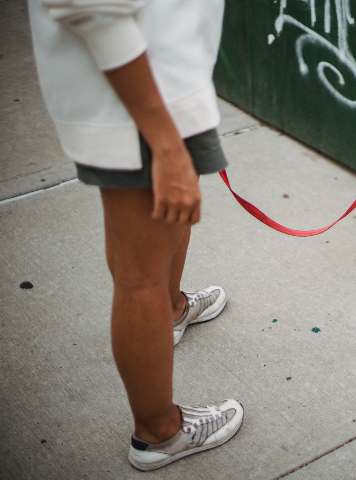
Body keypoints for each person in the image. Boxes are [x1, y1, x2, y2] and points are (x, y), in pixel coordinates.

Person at [28, 0, 243, 471]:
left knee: (173, 220)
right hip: (135, 100)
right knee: (139, 276)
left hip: (166, 86)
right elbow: (86, 6)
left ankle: (172, 311)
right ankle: (158, 431)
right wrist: (164, 140)